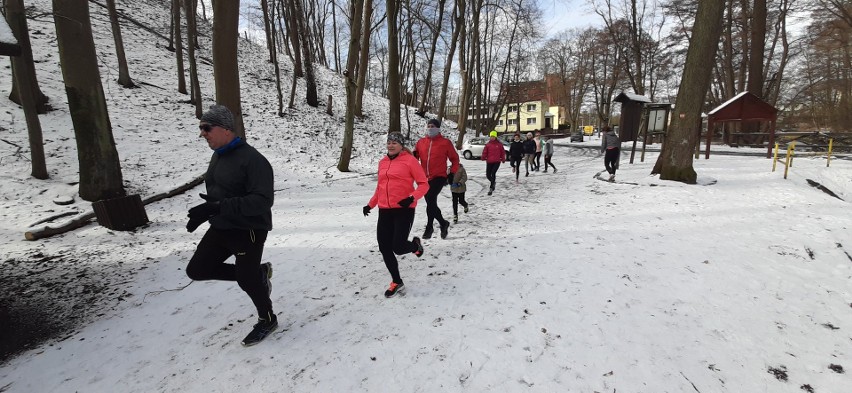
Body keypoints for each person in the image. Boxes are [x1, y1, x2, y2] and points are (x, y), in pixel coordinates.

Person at [184, 104, 276, 347]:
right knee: (197, 270)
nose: (202, 133)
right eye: (201, 128)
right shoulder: (219, 155)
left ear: (225, 129)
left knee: (247, 280)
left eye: (207, 128)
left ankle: (267, 319)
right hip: (222, 225)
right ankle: (258, 273)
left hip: (249, 229)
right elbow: (222, 191)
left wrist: (219, 206)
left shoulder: (253, 160)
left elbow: (263, 201)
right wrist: (208, 211)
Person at [363, 132, 428, 298]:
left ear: (401, 145)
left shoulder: (410, 161)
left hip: (403, 209)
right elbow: (380, 187)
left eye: (395, 143)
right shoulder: (382, 162)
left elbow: (423, 185)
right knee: (384, 247)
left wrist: (411, 197)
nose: (391, 145)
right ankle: (397, 281)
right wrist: (370, 204)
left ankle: (415, 246)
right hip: (384, 210)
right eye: (389, 142)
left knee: (398, 247)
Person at [413, 119, 459, 240]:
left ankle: (429, 227)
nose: (430, 128)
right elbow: (414, 157)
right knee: (430, 202)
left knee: (431, 198)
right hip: (423, 177)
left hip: (439, 176)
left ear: (438, 128)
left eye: (432, 126)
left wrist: (452, 172)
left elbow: (455, 159)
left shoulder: (445, 143)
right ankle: (443, 223)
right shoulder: (421, 142)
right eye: (428, 126)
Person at [481, 130, 506, 195]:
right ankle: (493, 182)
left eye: (493, 136)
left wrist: (503, 159)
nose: (492, 138)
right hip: (489, 161)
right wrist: (483, 157)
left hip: (497, 161)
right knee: (488, 175)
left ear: (495, 137)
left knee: (493, 173)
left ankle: (491, 188)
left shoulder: (499, 145)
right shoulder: (488, 145)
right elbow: (485, 152)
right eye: (491, 136)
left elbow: (502, 152)